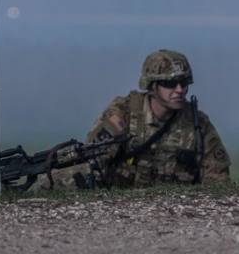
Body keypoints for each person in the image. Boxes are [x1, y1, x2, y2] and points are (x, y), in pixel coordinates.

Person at [72, 49, 230, 188]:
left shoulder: (198, 124)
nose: (179, 90)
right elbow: (93, 162)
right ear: (152, 86)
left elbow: (217, 180)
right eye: (170, 83)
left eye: (184, 83)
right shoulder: (124, 112)